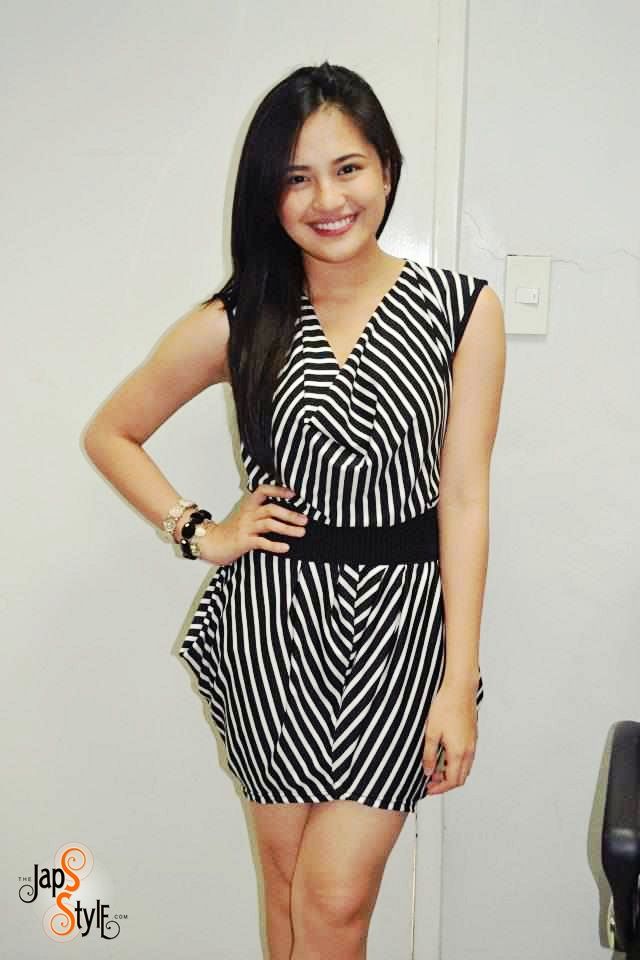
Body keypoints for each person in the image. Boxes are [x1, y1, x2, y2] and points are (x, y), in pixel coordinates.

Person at [83, 60, 505, 960]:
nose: (327, 199)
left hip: (403, 634)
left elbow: (466, 499)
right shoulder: (241, 316)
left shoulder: (461, 311)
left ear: (386, 168)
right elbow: (113, 432)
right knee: (285, 896)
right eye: (296, 178)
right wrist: (202, 532)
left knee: (334, 902)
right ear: (269, 194)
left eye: (347, 168)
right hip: (270, 630)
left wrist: (458, 684)